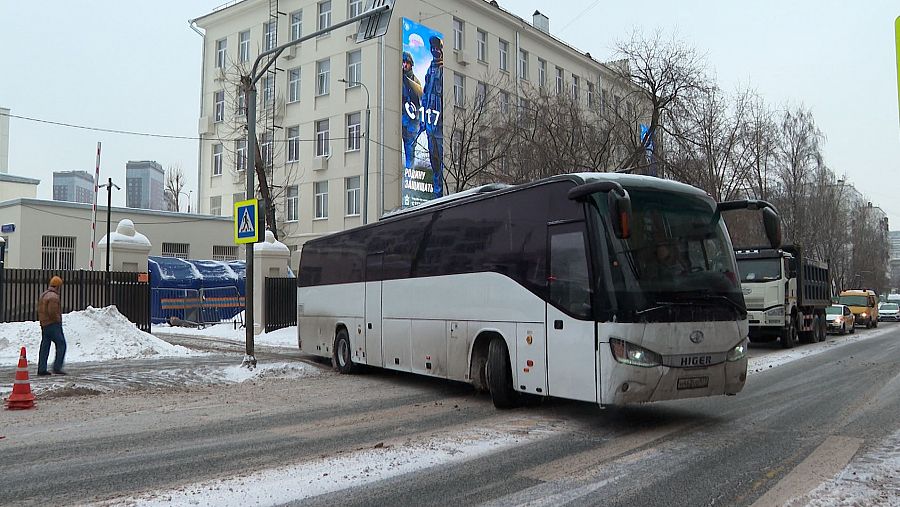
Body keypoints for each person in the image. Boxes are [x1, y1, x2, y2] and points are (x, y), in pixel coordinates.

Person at [421, 35, 444, 198]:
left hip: (440, 125)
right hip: (429, 122)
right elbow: (425, 94)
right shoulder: (431, 68)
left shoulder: (444, 69)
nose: (435, 50)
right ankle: (436, 194)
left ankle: (441, 192)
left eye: (437, 48)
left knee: (441, 161)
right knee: (433, 159)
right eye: (433, 48)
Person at [37, 276, 67, 376]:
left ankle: (42, 368)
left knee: (45, 346)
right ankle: (57, 367)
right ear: (58, 286)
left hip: (44, 324)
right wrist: (57, 320)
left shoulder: (43, 295)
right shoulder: (54, 297)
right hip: (53, 324)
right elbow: (52, 312)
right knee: (61, 344)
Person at [401, 51, 423, 169]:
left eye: (407, 63)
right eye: (403, 62)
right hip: (400, 118)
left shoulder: (415, 81)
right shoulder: (398, 78)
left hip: (412, 121)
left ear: (411, 64)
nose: (404, 65)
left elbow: (420, 100)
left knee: (410, 150)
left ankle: (410, 174)